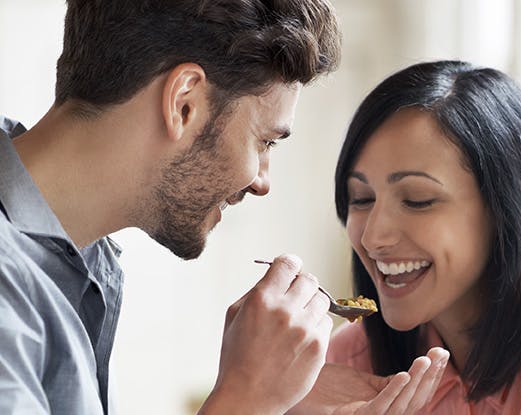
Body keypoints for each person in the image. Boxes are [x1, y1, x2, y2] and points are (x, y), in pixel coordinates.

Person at [0, 1, 346, 413]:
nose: (262, 182)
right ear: (185, 103)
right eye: (265, 141)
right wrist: (245, 399)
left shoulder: (80, 267)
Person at [324, 60, 521, 413]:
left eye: (417, 200)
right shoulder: (348, 361)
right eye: (361, 199)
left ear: (505, 207)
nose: (373, 238)